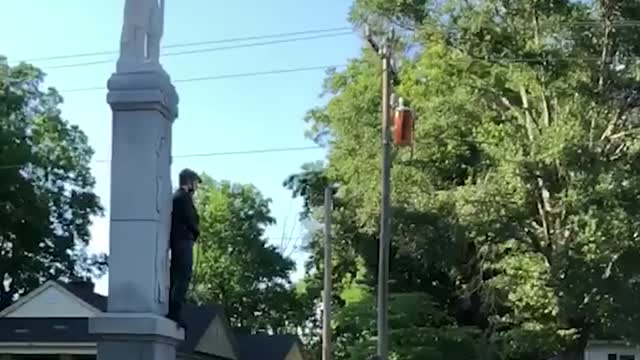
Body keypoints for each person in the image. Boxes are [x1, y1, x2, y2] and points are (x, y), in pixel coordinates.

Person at [167, 168, 201, 328]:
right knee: (182, 276)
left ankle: (174, 309)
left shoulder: (178, 197)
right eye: (195, 182)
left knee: (179, 277)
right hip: (182, 241)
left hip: (180, 241)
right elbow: (191, 220)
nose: (196, 186)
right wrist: (196, 232)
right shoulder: (183, 198)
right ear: (189, 181)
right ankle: (174, 311)